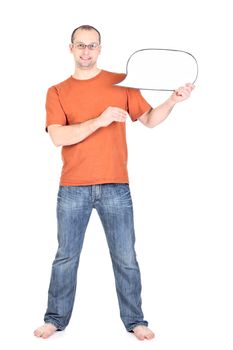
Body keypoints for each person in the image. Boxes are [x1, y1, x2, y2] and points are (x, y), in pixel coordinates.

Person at [34, 25, 194, 341]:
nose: (86, 51)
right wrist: (100, 119)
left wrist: (173, 101)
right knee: (66, 257)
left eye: (92, 45)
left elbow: (149, 120)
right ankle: (54, 320)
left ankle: (135, 321)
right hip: (73, 187)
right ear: (70, 48)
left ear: (100, 48)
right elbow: (57, 136)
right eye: (80, 45)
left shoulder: (121, 84)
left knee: (125, 257)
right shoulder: (57, 91)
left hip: (116, 186)